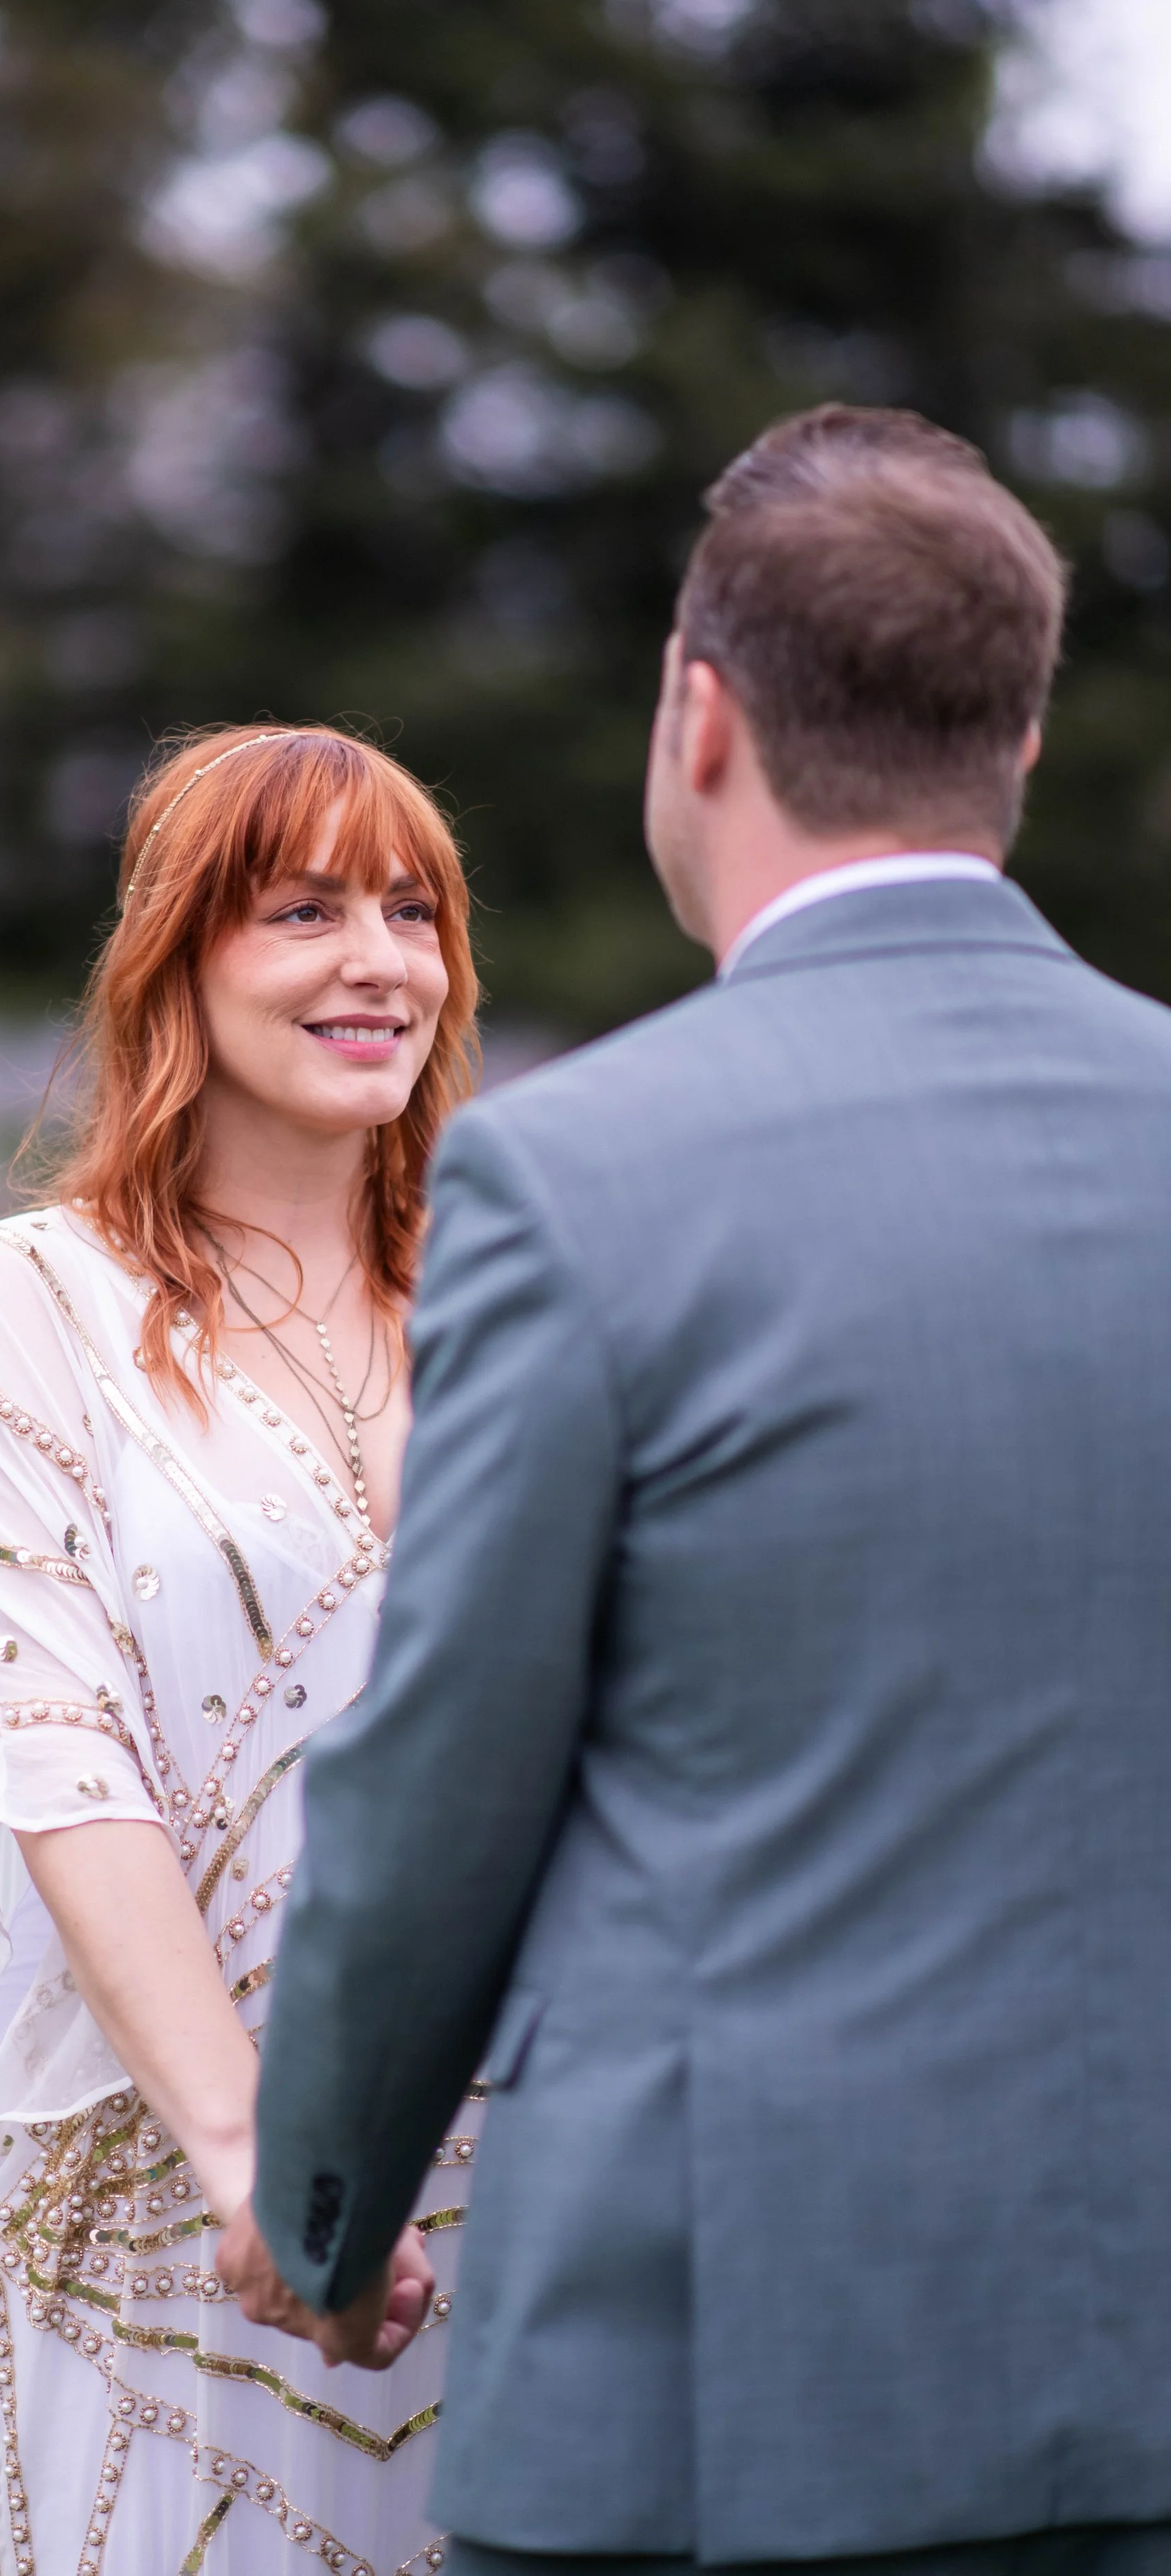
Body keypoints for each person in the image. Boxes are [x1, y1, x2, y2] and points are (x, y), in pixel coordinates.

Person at [221, 405, 1171, 2576]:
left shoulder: (583, 1171)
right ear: (1015, 742)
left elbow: (443, 1769)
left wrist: (328, 2199)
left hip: (718, 2380)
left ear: (699, 711)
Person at [0, 725, 482, 2576]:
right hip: (163, 2191)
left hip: (497, 2172)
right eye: (304, 909)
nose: (381, 958)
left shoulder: (511, 1291)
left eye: (412, 907)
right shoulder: (22, 1303)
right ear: (175, 956)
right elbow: (58, 1748)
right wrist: (252, 2154)